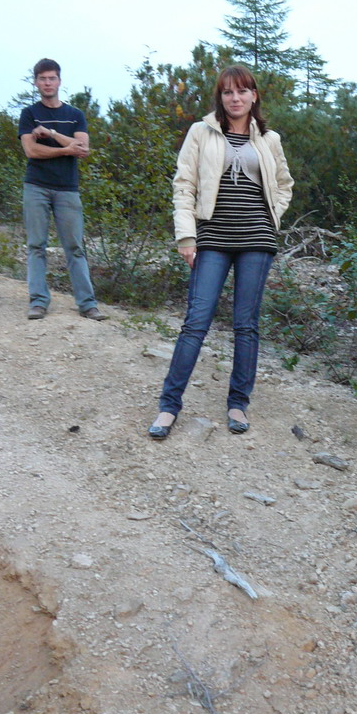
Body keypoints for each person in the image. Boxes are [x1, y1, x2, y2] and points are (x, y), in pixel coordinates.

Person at [148, 64, 294, 439]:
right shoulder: (201, 132)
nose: (235, 98)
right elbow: (184, 185)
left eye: (242, 91)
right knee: (196, 321)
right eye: (228, 92)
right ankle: (168, 406)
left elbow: (284, 184)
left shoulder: (269, 139)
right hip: (211, 236)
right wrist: (186, 236)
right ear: (220, 96)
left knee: (246, 324)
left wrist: (272, 216)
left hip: (256, 238)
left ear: (254, 96)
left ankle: (238, 403)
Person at [18, 58, 107, 321]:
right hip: (36, 186)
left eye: (52, 78)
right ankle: (38, 302)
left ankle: (88, 304)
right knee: (36, 245)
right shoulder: (29, 114)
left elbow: (84, 149)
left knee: (75, 247)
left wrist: (53, 134)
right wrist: (67, 149)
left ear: (59, 81)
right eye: (43, 78)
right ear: (36, 82)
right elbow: (31, 150)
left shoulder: (75, 115)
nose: (47, 83)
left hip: (67, 189)